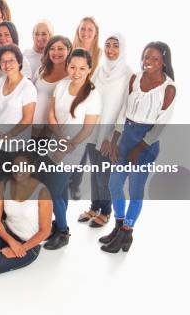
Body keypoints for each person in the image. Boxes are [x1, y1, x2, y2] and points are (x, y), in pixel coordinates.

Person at [100, 42, 175, 253]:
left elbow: (161, 125)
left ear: (163, 62)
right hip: (126, 137)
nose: (148, 62)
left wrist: (140, 147)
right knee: (114, 185)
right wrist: (115, 139)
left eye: (154, 59)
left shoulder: (168, 87)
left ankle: (127, 232)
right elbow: (124, 110)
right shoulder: (135, 78)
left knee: (135, 191)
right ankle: (118, 226)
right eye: (145, 57)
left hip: (146, 143)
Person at [44, 48, 101, 250]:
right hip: (55, 142)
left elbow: (88, 129)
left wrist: (67, 147)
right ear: (67, 66)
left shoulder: (93, 95)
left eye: (82, 68)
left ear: (89, 69)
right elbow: (51, 114)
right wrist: (59, 139)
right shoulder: (61, 86)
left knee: (52, 190)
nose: (76, 72)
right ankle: (58, 224)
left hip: (73, 149)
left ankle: (63, 231)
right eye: (73, 67)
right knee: (59, 190)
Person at [78, 34, 131, 228]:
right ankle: (94, 206)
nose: (110, 50)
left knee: (104, 174)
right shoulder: (99, 71)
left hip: (111, 134)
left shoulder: (128, 74)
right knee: (94, 171)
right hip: (94, 130)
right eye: (107, 46)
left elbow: (125, 109)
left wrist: (113, 138)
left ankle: (106, 211)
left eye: (115, 46)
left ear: (122, 48)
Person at [0, 45, 37, 183]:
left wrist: (9, 135)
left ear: (19, 62)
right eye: (3, 61)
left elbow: (27, 119)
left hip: (18, 146)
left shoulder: (28, 88)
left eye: (11, 60)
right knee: (0, 180)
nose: (7, 64)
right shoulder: (0, 81)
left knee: (17, 184)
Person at [69, 17, 102, 199]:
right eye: (83, 29)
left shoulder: (101, 54)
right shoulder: (72, 50)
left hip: (90, 101)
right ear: (78, 31)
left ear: (96, 32)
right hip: (72, 100)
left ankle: (75, 183)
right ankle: (66, 177)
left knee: (83, 140)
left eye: (90, 29)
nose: (86, 33)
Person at [32, 36, 72, 131]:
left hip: (51, 131)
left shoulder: (71, 77)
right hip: (31, 126)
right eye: (52, 49)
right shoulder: (41, 70)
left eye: (60, 49)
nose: (56, 52)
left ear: (69, 50)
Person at [0, 21, 32, 85]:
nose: (2, 38)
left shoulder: (22, 61)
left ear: (13, 36)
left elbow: (25, 87)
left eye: (7, 35)